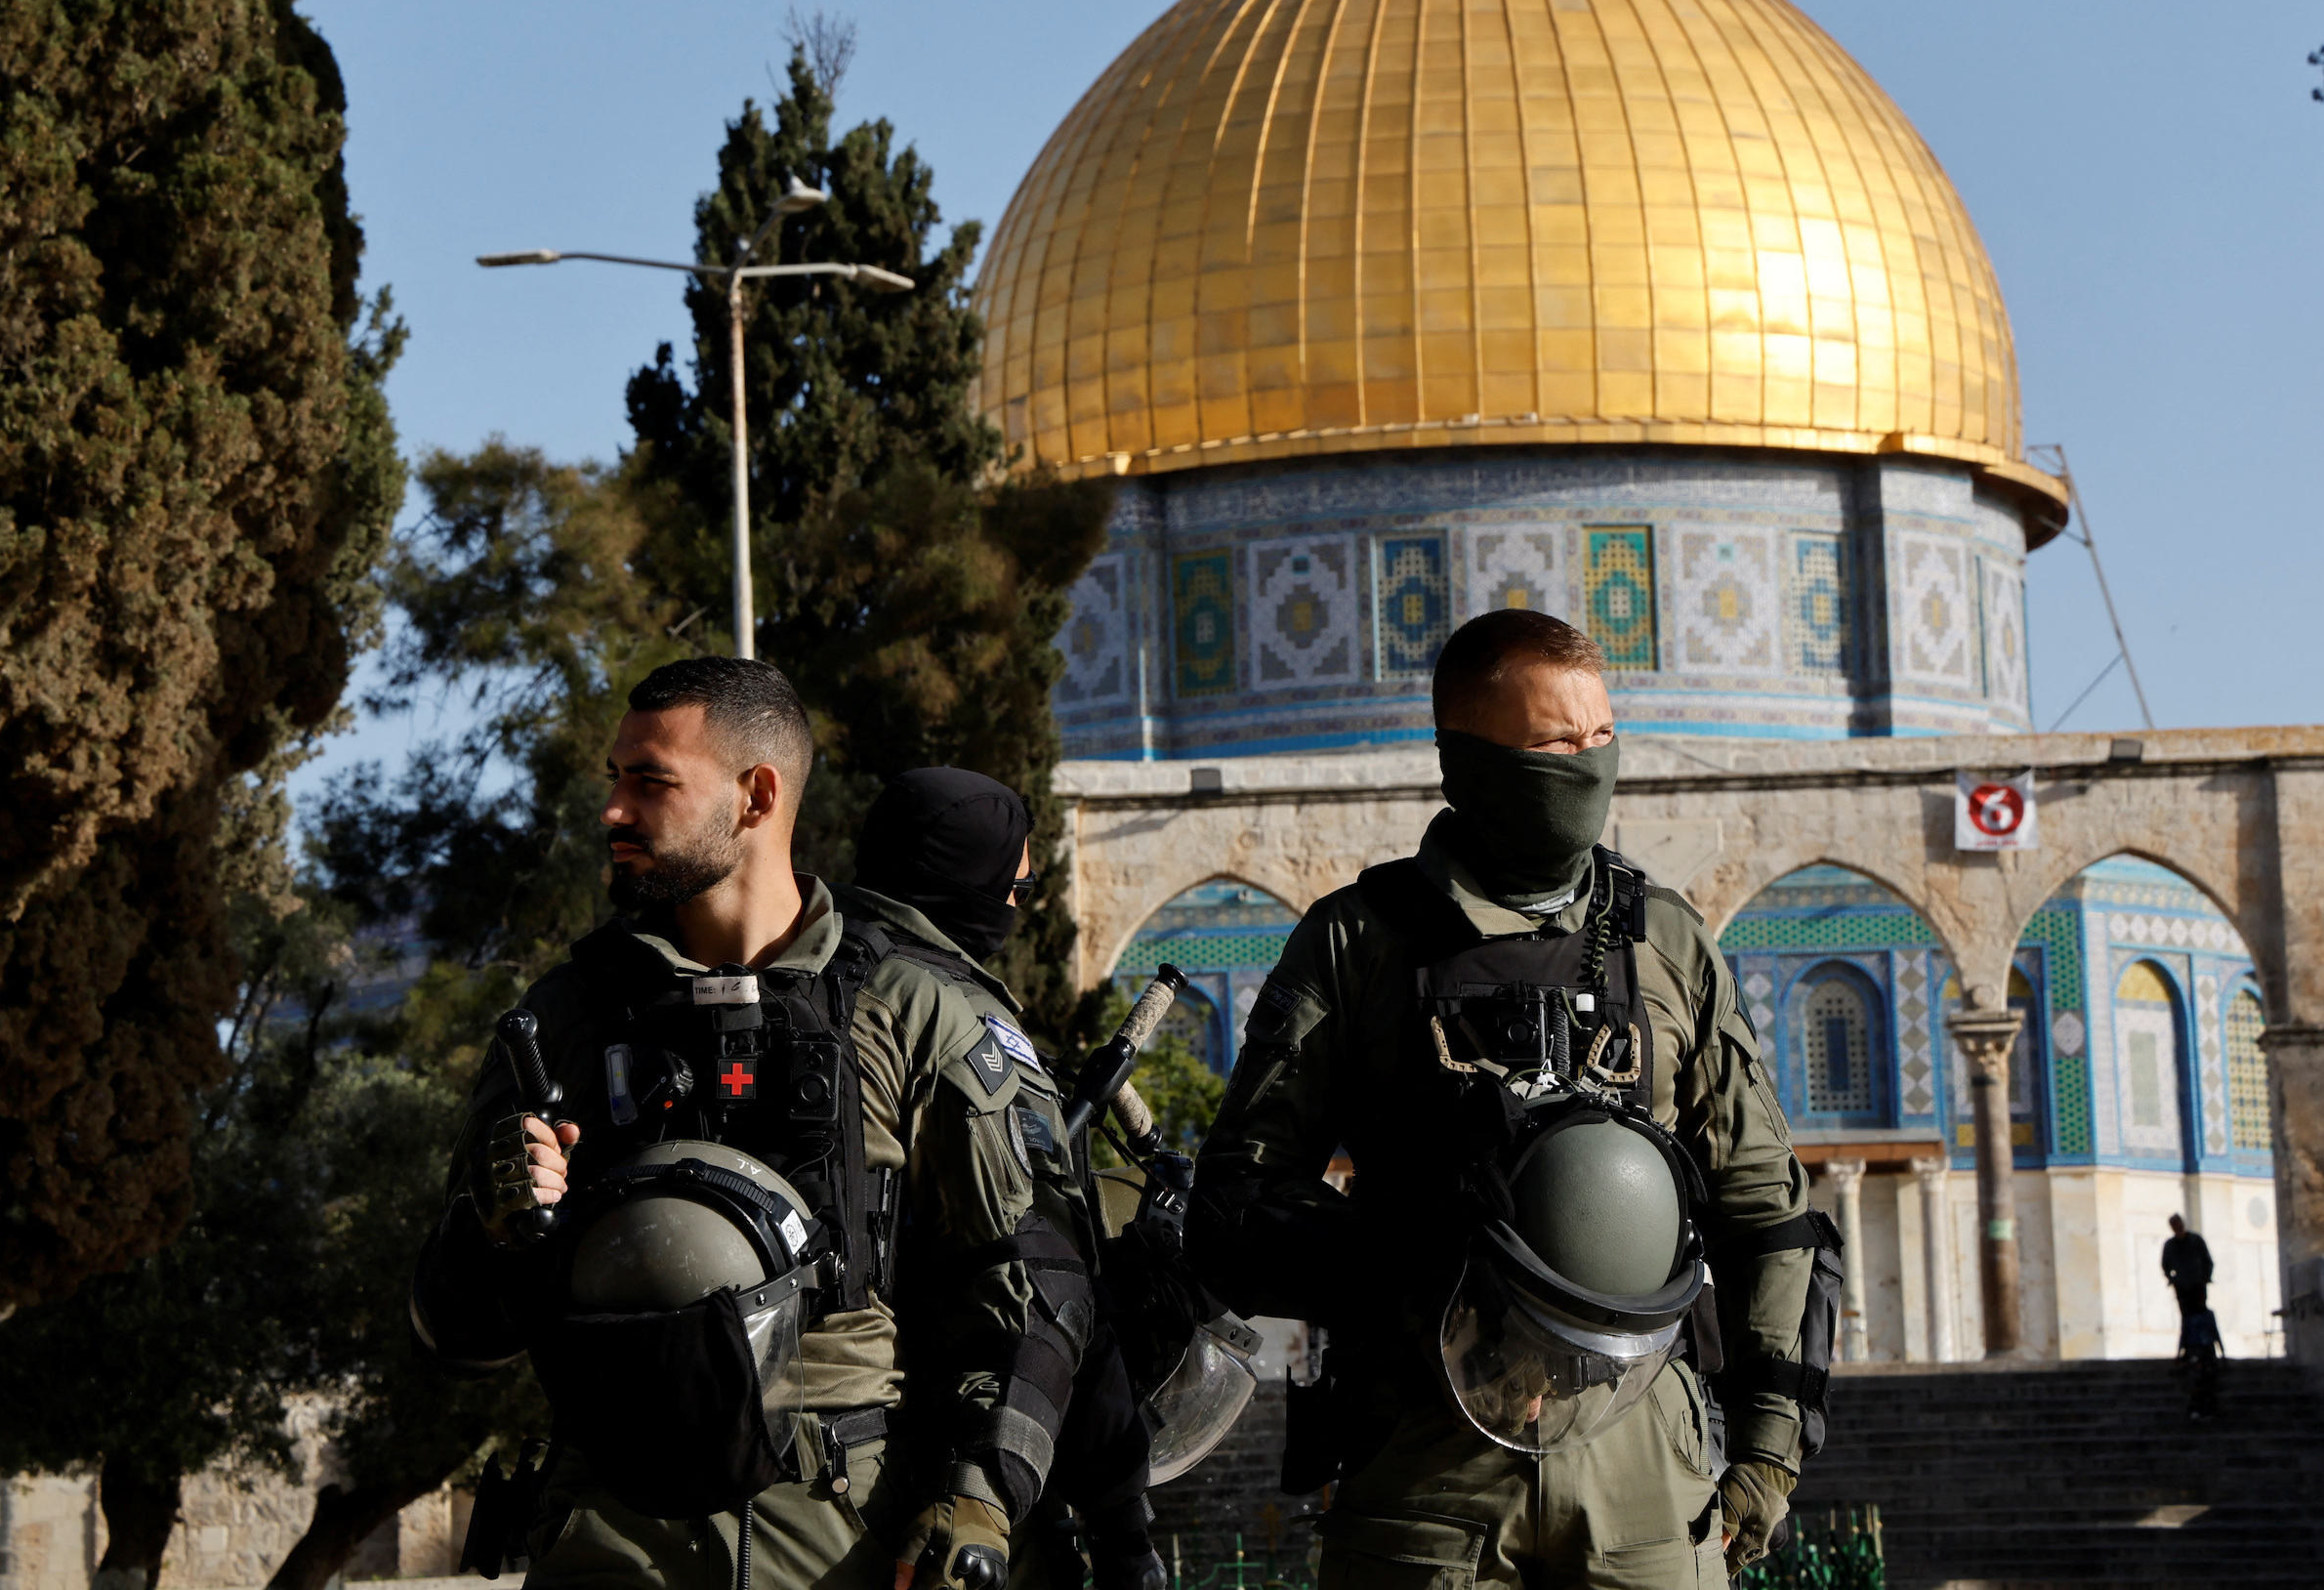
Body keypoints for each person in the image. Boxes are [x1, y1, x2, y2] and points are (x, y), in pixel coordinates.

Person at [407, 658, 1097, 1590]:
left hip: (837, 1542)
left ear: (757, 796)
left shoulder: (914, 1012)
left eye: (649, 781)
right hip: (608, 1537)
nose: (613, 809)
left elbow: (1035, 1286)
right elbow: (452, 1333)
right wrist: (493, 1230)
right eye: (614, 777)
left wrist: (977, 1499)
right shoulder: (564, 1021)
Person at [1185, 610, 1824, 1589]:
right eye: (1557, 744)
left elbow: (1766, 1205)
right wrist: (1440, 1265)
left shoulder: (1665, 941)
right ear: (1470, 762)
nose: (1589, 763)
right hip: (1427, 1471)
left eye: (1602, 735)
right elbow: (1237, 1202)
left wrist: (1769, 1449)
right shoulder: (1359, 942)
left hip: (1646, 1472)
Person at [844, 769, 1165, 1590]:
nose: (1020, 907)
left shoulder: (804, 975)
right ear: (967, 882)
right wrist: (1120, 1534)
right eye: (1015, 888)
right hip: (931, 1483)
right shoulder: (953, 1014)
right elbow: (1045, 1283)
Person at [2163, 1213, 2221, 1421]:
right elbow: (2165, 1264)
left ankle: (2207, 1348)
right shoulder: (2170, 1245)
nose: (2177, 1227)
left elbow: (2207, 1261)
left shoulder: (2195, 1240)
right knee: (2187, 1319)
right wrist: (2173, 1279)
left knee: (2201, 1316)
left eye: (2178, 1224)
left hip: (2197, 1285)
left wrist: (2204, 1278)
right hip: (2182, 1287)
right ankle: (2188, 1349)